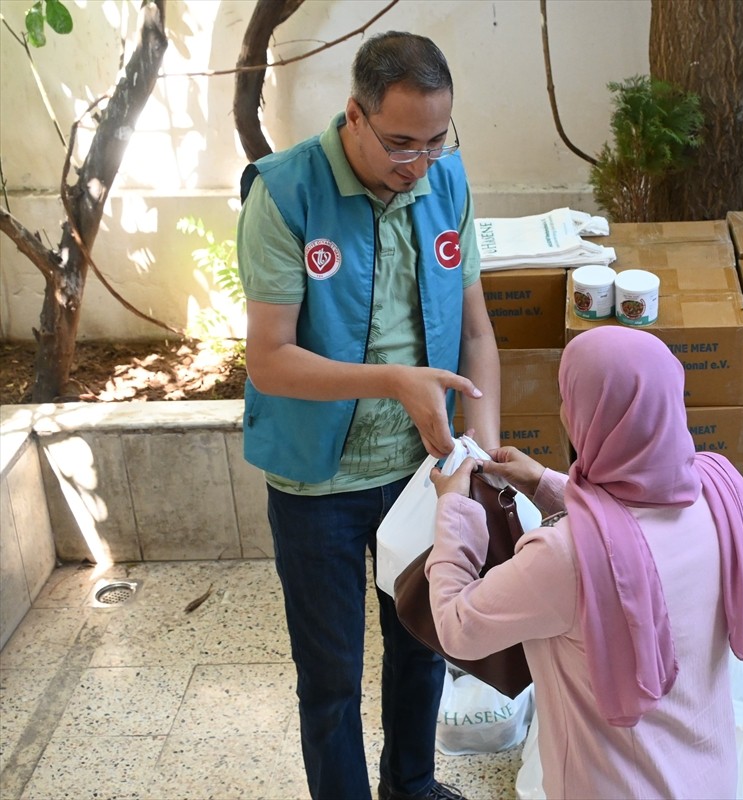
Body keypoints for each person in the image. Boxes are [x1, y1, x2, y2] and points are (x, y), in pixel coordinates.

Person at [236, 30, 499, 800]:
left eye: (435, 141)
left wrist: (482, 452)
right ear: (354, 114)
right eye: (399, 143)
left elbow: (479, 333)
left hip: (424, 472)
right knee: (330, 676)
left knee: (423, 642)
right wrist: (394, 382)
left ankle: (411, 786)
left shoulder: (445, 182)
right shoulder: (286, 195)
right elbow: (269, 358)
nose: (417, 163)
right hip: (319, 483)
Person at [426, 326, 743, 799]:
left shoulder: (564, 556)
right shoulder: (719, 491)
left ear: (582, 417)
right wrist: (543, 483)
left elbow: (458, 625)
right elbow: (637, 531)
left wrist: (454, 508)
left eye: (569, 399)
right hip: (708, 778)